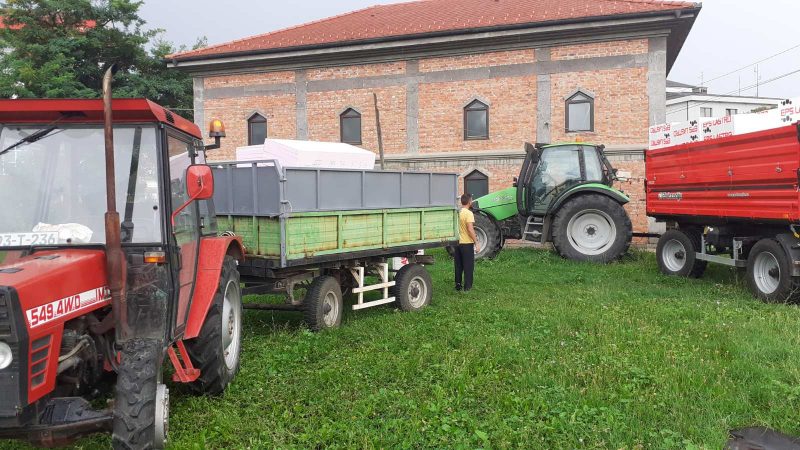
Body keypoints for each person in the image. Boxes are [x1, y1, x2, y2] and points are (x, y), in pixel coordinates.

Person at [454, 194, 480, 292]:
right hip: (467, 244)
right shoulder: (469, 213)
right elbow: (470, 229)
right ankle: (467, 288)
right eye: (472, 200)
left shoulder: (457, 212)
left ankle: (458, 286)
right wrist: (476, 242)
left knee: (458, 265)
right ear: (469, 202)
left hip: (457, 243)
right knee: (468, 266)